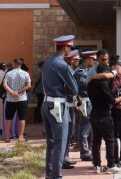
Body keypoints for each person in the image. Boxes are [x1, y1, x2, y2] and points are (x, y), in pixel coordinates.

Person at [41, 35, 79, 179]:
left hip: (46, 103)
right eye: (70, 47)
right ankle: (57, 176)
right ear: (66, 48)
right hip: (57, 105)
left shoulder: (48, 62)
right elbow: (74, 89)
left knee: (51, 143)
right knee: (60, 143)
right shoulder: (62, 64)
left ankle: (50, 175)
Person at [86, 63, 121, 174]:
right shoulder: (103, 83)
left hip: (93, 114)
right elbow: (112, 101)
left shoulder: (90, 83)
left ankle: (97, 165)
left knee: (96, 141)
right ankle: (111, 165)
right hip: (104, 114)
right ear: (106, 72)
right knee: (110, 140)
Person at [75, 51, 98, 161]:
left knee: (91, 128)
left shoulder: (91, 71)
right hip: (85, 101)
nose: (94, 61)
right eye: (93, 59)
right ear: (87, 59)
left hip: (92, 101)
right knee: (84, 128)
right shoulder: (81, 72)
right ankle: (84, 152)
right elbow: (84, 85)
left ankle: (89, 150)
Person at [2, 58, 31, 143]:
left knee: (8, 118)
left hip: (10, 99)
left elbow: (4, 84)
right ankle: (20, 136)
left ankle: (7, 137)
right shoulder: (25, 73)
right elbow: (28, 86)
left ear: (13, 64)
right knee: (22, 118)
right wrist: (18, 92)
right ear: (21, 64)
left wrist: (11, 92)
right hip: (22, 98)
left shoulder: (8, 73)